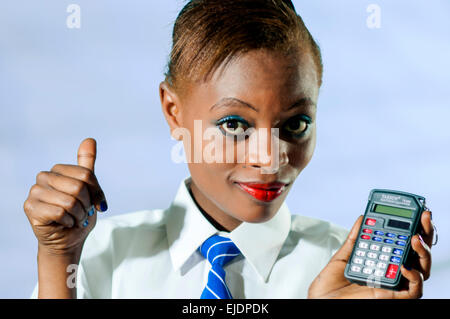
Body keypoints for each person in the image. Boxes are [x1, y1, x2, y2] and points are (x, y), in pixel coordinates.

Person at [25, 0, 433, 299]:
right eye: (234, 125)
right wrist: (57, 259)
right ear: (173, 111)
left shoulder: (349, 276)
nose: (270, 157)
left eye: (296, 124)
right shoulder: (96, 256)